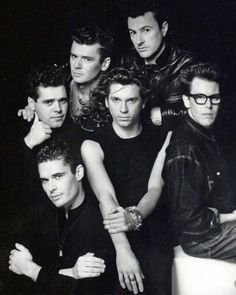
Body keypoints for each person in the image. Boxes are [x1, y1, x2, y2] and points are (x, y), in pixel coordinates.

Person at [81, 67, 173, 295]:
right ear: (106, 101)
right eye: (116, 100)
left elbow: (155, 188)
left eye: (131, 100)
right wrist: (123, 251)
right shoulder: (92, 144)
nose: (122, 109)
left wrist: (135, 217)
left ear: (142, 102)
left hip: (151, 229)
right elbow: (106, 197)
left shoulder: (162, 137)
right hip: (112, 234)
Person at [8, 139, 116, 295]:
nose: (51, 188)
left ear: (78, 172)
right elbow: (15, 266)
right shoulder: (41, 213)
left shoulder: (99, 221)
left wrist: (31, 269)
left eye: (58, 176)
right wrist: (72, 273)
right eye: (45, 180)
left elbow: (84, 290)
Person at [163, 62, 236, 260]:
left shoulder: (207, 134)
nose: (209, 105)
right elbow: (188, 221)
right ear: (187, 101)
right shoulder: (185, 148)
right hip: (201, 239)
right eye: (200, 98)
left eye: (214, 98)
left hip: (219, 226)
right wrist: (232, 217)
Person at [18, 25, 114, 133]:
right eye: (74, 56)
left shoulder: (114, 97)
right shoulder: (61, 80)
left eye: (87, 59)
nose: (77, 65)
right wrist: (32, 108)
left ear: (105, 64)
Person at [16, 65, 82, 207]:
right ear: (32, 104)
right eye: (49, 102)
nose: (58, 109)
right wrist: (28, 143)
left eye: (62, 101)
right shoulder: (17, 128)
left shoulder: (78, 133)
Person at [122, 0, 194, 127]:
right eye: (133, 33)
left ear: (164, 28)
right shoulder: (128, 60)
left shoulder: (185, 64)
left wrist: (164, 114)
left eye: (146, 30)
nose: (139, 41)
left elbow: (203, 108)